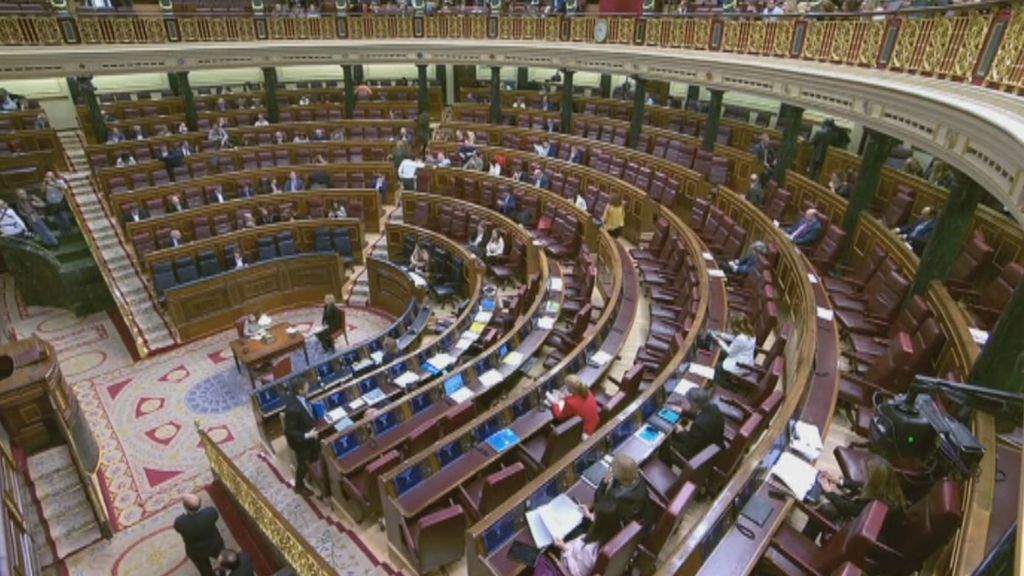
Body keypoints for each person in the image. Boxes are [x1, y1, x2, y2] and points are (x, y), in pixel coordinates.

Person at [805, 455, 907, 541]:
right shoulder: (887, 489)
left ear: (874, 483)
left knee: (826, 509)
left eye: (864, 475)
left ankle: (805, 540)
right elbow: (862, 485)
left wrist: (829, 492)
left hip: (865, 537)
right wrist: (839, 481)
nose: (862, 476)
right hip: (867, 526)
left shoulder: (876, 504)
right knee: (829, 507)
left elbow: (850, 509)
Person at [534, 511, 619, 576]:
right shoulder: (608, 537)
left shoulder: (590, 553)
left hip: (565, 567)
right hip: (572, 550)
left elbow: (576, 573)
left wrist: (564, 548)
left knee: (538, 555)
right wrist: (590, 516)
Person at [584, 454, 652, 529]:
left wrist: (605, 481)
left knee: (585, 523)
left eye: (611, 468)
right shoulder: (638, 476)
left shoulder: (617, 497)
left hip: (629, 531)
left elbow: (599, 503)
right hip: (644, 521)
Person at [173, 493, 225, 576]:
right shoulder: (210, 512)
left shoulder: (180, 522)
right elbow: (215, 517)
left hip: (196, 551)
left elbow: (177, 528)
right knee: (224, 561)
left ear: (185, 507)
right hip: (215, 544)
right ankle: (223, 573)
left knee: (205, 570)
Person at [283, 380, 319, 496]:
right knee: (303, 465)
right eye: (306, 387)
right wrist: (307, 435)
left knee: (315, 455)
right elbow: (290, 431)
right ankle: (299, 486)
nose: (308, 388)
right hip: (301, 442)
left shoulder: (303, 398)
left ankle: (313, 474)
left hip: (311, 435)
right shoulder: (292, 409)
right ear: (300, 390)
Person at [669, 387, 724, 459]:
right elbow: (701, 415)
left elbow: (689, 444)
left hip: (700, 455)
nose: (686, 404)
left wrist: (681, 431)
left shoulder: (698, 425)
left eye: (687, 401)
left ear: (694, 404)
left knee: (666, 443)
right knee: (681, 426)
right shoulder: (714, 407)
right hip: (714, 443)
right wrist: (683, 412)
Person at [711, 313, 756, 379]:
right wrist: (721, 335)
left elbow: (730, 352)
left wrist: (719, 341)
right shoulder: (751, 332)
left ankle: (720, 382)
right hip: (747, 361)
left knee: (717, 367)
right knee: (719, 354)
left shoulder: (741, 338)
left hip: (740, 365)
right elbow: (734, 338)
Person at [42, 171, 74, 236]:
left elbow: (64, 188)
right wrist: (44, 184)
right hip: (52, 204)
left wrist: (53, 184)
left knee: (65, 218)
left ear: (53, 175)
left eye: (50, 176)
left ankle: (69, 231)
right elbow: (42, 191)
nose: (49, 177)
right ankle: (63, 232)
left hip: (59, 202)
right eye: (47, 176)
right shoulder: (45, 184)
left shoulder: (59, 181)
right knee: (57, 220)